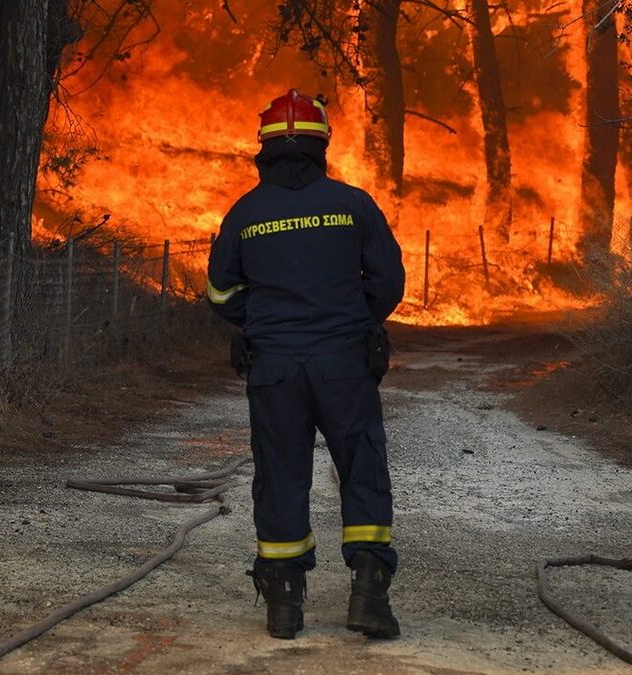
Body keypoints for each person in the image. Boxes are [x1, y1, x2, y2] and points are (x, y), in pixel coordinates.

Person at [206, 89, 406, 640]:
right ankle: (369, 596)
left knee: (280, 475)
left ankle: (284, 606)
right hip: (344, 364)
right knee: (361, 468)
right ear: (322, 144)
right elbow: (389, 281)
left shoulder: (245, 213)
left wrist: (262, 321)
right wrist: (356, 321)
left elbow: (219, 293)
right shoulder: (354, 205)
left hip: (274, 369)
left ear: (264, 147)